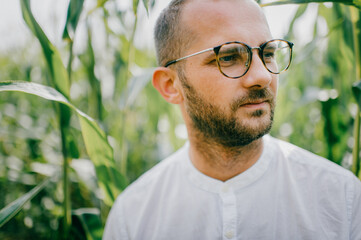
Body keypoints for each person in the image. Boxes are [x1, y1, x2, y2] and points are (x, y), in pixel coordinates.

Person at [103, 0, 361, 239]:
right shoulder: (132, 218)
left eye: (268, 53)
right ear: (171, 85)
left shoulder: (342, 200)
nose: (262, 76)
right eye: (228, 57)